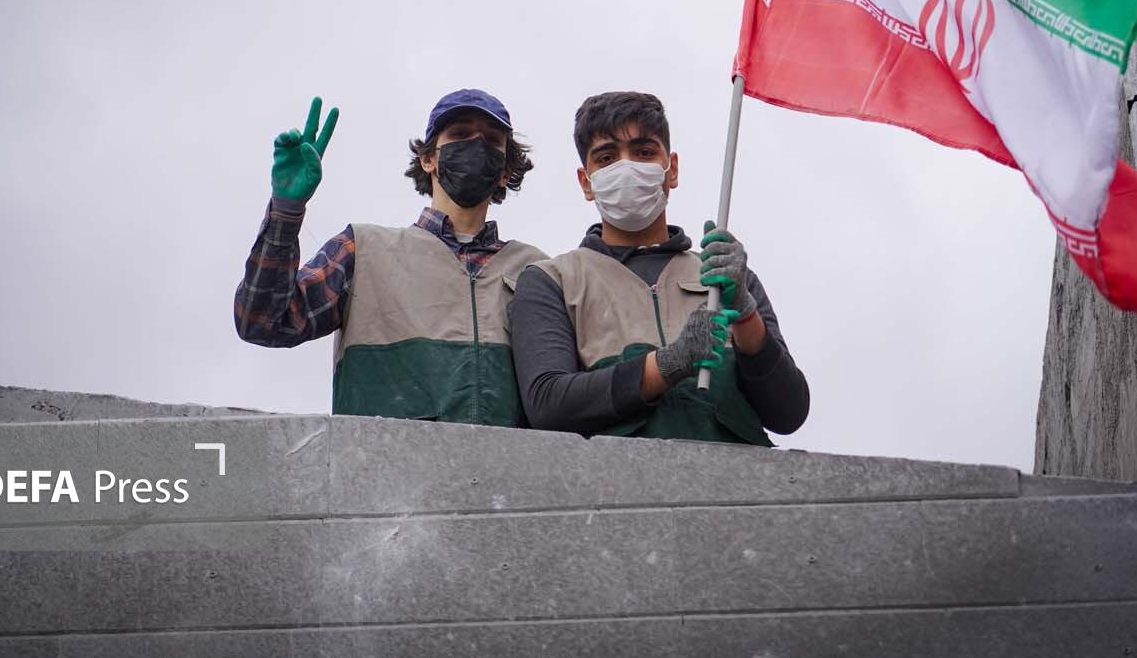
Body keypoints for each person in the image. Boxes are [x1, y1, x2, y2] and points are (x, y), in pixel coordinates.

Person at [508, 90, 809, 445]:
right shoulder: (552, 282)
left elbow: (789, 413)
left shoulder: (724, 276)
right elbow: (547, 405)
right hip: (615, 481)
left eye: (644, 152)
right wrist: (668, 363)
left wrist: (745, 313)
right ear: (586, 182)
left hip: (734, 481)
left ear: (672, 169)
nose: (627, 167)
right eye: (606, 158)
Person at [235, 89, 546, 426]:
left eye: (491, 140)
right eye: (459, 134)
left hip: (508, 461)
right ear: (428, 159)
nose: (476, 146)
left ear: (505, 170)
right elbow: (261, 322)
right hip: (384, 459)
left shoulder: (537, 271)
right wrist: (286, 211)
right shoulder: (363, 250)